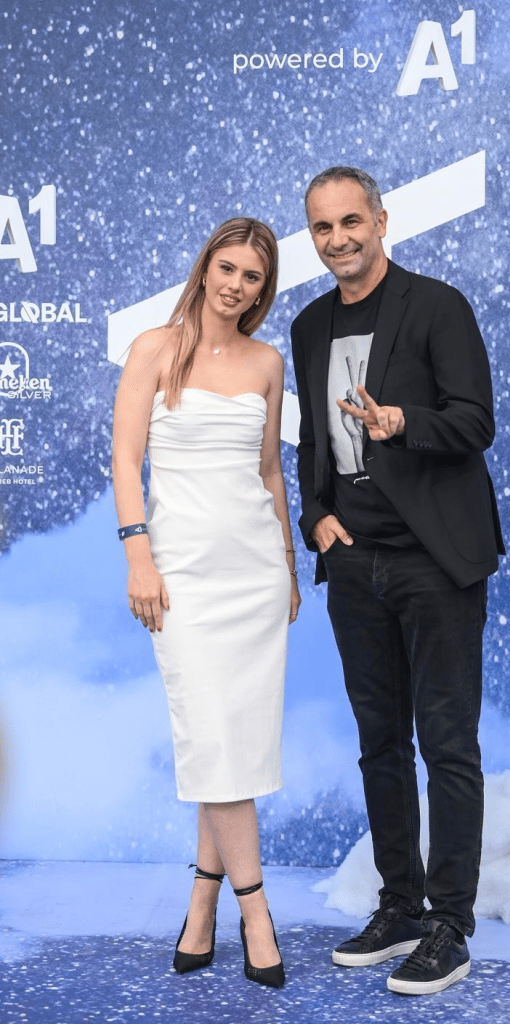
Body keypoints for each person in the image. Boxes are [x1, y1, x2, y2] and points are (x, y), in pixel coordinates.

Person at [291, 167, 504, 996]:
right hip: (354, 563)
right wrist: (316, 516)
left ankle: (449, 925)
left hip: (433, 560)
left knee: (447, 745)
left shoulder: (437, 306)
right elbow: (312, 438)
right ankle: (400, 907)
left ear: (380, 220)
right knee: (380, 743)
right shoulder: (310, 324)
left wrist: (401, 422)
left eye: (351, 221)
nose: (338, 239)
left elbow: (475, 421)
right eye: (322, 227)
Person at [112, 217, 300, 989]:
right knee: (212, 736)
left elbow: (269, 471)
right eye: (227, 268)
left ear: (262, 290)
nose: (235, 285)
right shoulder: (153, 348)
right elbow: (126, 457)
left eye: (252, 276)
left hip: (254, 576)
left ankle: (201, 904)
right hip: (180, 575)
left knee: (230, 744)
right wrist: (138, 555)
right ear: (204, 268)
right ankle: (256, 911)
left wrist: (288, 564)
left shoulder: (267, 362)